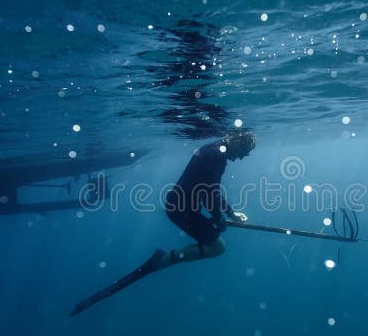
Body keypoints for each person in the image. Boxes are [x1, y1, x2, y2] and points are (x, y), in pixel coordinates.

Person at [70, 130, 256, 315]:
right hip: (182, 211)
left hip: (180, 208)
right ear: (238, 142)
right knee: (218, 247)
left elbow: (210, 191)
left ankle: (164, 260)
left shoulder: (215, 149)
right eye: (244, 152)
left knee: (217, 245)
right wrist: (219, 219)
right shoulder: (217, 155)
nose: (241, 157)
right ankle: (163, 260)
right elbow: (209, 194)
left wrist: (229, 213)